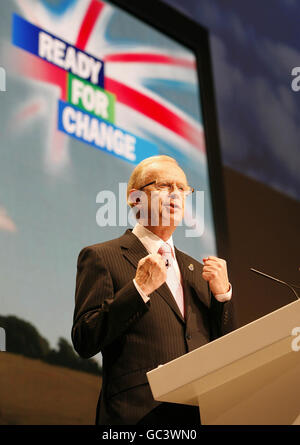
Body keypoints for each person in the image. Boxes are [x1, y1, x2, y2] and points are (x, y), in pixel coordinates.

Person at [71, 155, 235, 425]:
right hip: (136, 415)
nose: (176, 195)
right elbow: (84, 339)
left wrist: (222, 297)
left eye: (182, 189)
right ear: (135, 198)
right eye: (164, 185)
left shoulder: (197, 271)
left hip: (199, 417)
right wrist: (138, 289)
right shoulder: (101, 257)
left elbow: (222, 351)